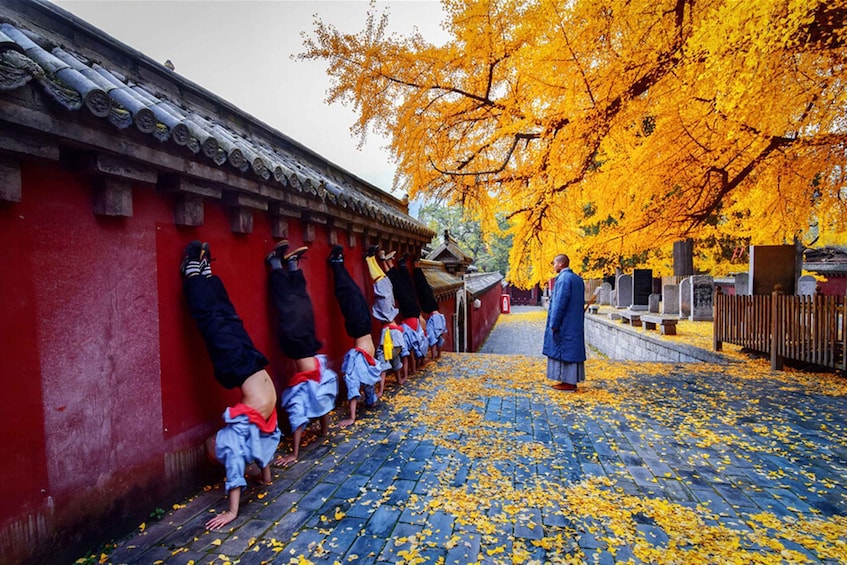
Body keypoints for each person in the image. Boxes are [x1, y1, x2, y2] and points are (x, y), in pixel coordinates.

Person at [180, 241, 281, 530]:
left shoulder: (251, 431)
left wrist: (266, 476)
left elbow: (262, 453)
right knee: (214, 322)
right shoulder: (235, 439)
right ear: (219, 450)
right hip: (242, 367)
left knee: (228, 320)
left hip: (253, 365)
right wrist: (233, 512)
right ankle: (196, 272)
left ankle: (205, 273)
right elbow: (237, 468)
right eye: (212, 446)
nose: (213, 440)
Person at [266, 241, 338, 465]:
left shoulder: (303, 392)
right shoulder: (322, 386)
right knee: (303, 303)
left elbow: (298, 420)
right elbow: (325, 407)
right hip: (309, 343)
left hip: (296, 344)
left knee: (289, 304)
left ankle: (275, 263)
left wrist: (295, 454)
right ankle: (292, 266)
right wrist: (324, 431)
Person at [328, 244, 384, 427]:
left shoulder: (356, 365)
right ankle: (339, 264)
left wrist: (352, 418)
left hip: (358, 329)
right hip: (364, 327)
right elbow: (368, 389)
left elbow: (353, 388)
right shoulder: (368, 376)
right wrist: (373, 399)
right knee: (356, 294)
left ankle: (336, 263)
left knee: (348, 295)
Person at [365, 245, 409, 385]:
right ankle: (372, 259)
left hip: (388, 322)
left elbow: (385, 367)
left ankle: (369, 259)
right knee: (385, 283)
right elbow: (398, 362)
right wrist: (403, 378)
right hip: (391, 320)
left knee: (382, 284)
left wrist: (380, 391)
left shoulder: (391, 343)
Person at [542, 253, 587, 392]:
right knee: (573, 349)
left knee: (564, 350)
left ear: (561, 264)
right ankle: (571, 381)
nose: (554, 266)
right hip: (575, 322)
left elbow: (559, 303)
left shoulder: (563, 279)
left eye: (555, 263)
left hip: (565, 323)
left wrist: (554, 323)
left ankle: (567, 382)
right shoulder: (578, 279)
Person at [412, 258, 447, 360]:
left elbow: (432, 339)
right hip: (438, 316)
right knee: (439, 337)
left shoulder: (428, 304)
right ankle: (438, 355)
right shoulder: (432, 305)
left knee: (433, 338)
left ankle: (433, 356)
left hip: (433, 315)